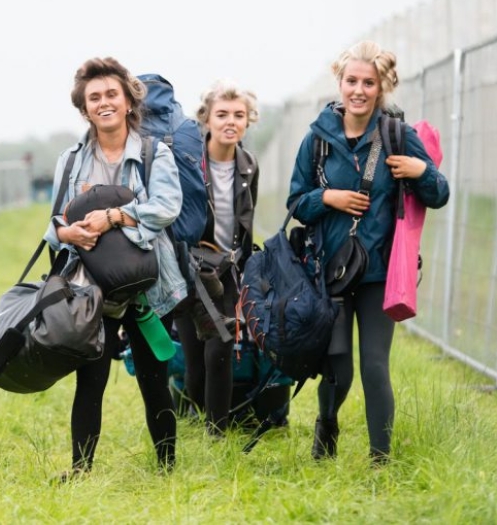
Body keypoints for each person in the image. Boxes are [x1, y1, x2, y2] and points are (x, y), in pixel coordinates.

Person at [287, 40, 449, 465]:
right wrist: (329, 198)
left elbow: (439, 194)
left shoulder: (397, 135)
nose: (358, 90)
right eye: (351, 81)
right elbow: (295, 202)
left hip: (379, 274)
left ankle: (381, 460)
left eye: (368, 83)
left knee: (375, 367)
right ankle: (327, 426)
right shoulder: (317, 139)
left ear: (381, 88)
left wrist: (422, 171)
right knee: (338, 370)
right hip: (330, 274)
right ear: (339, 84)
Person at [44, 57, 187, 480]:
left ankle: (166, 470)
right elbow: (54, 224)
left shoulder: (153, 152)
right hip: (92, 292)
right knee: (90, 382)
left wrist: (113, 217)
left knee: (153, 380)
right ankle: (80, 471)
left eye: (111, 94)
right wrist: (66, 234)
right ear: (84, 108)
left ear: (128, 102)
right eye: (94, 97)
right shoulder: (69, 161)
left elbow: (166, 207)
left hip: (148, 287)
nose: (104, 103)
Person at [172, 80, 260, 436]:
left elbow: (245, 222)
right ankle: (196, 409)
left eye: (239, 115)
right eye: (222, 114)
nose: (230, 122)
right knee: (195, 360)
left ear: (247, 121)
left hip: (226, 270)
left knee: (221, 344)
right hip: (190, 266)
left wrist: (245, 267)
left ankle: (217, 432)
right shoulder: (189, 163)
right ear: (206, 120)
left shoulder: (249, 165)